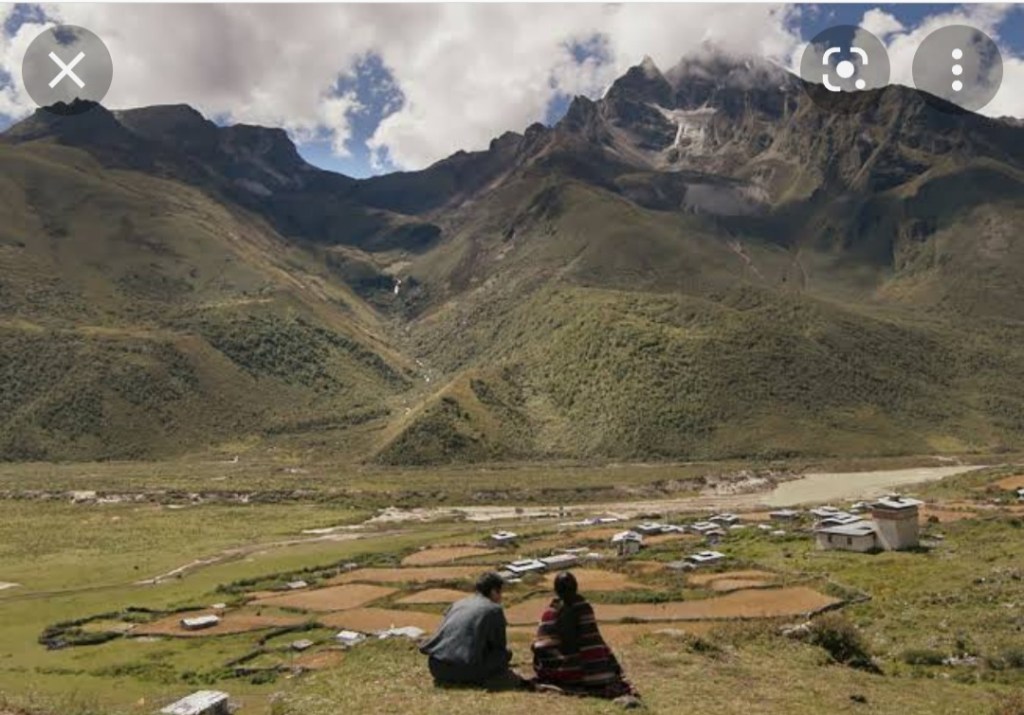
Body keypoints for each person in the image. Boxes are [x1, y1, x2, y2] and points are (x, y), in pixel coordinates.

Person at [531, 571, 640, 703]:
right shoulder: (583, 608)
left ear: (556, 590)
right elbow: (593, 641)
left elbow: (541, 646)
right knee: (605, 652)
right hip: (584, 675)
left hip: (553, 671)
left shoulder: (549, 613)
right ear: (576, 587)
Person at [420, 571, 526, 690]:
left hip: (436, 667)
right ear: (493, 591)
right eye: (500, 592)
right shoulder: (494, 610)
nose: (501, 597)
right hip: (463, 670)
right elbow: (499, 647)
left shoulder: (458, 604)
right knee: (504, 654)